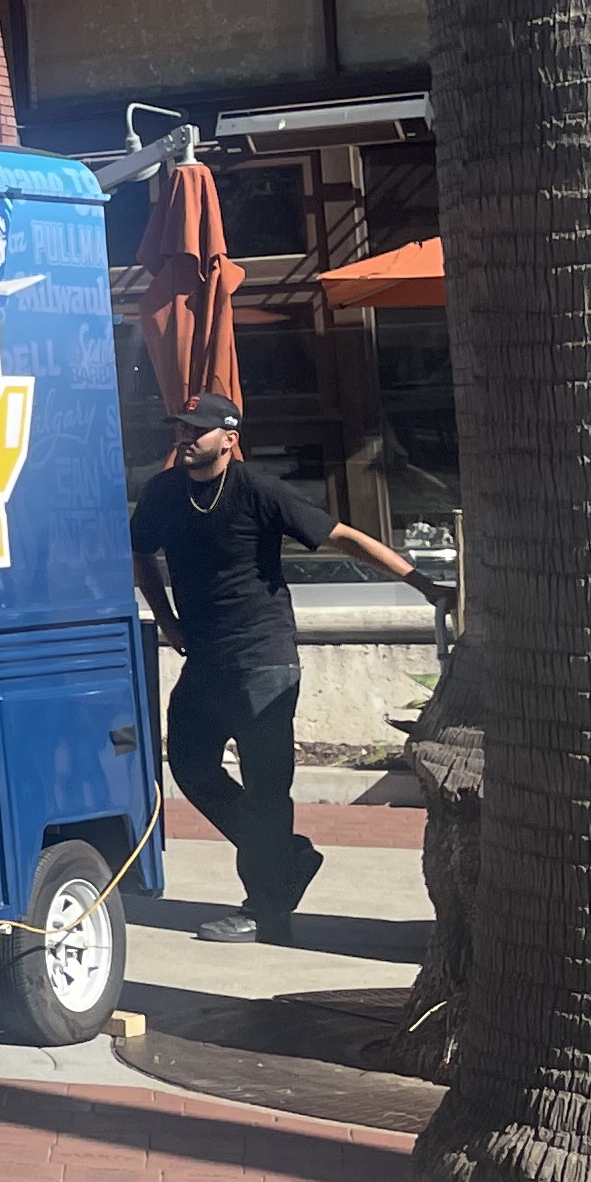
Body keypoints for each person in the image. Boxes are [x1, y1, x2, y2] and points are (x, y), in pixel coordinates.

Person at [130, 391, 451, 941]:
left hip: (264, 660)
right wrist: (165, 618)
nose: (185, 437)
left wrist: (424, 585)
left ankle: (266, 908)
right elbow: (140, 552)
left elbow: (343, 537)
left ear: (229, 440)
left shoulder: (259, 490)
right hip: (205, 656)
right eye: (181, 428)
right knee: (189, 765)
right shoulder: (165, 491)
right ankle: (285, 855)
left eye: (198, 430)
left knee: (265, 788)